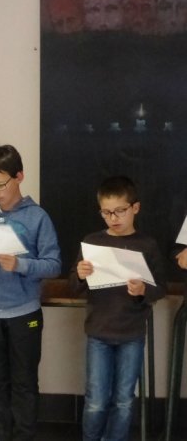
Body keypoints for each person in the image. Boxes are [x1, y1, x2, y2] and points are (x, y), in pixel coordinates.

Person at [0, 144, 62, 441]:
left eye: (0, 184)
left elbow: (53, 265)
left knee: (24, 384)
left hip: (24, 313)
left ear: (19, 177)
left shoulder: (38, 217)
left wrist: (21, 265)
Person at [69, 176, 166, 441]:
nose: (113, 218)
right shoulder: (92, 242)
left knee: (123, 400)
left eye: (120, 211)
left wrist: (144, 290)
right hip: (98, 332)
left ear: (135, 208)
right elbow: (74, 286)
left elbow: (161, 287)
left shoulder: (147, 244)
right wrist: (80, 275)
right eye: (106, 212)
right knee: (96, 400)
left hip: (131, 334)